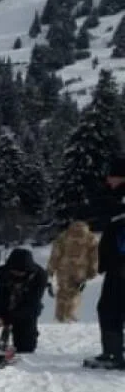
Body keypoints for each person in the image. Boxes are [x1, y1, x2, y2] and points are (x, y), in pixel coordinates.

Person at [86, 156, 125, 370]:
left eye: (111, 176)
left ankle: (113, 354)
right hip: (116, 265)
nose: (108, 180)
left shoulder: (119, 200)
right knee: (111, 308)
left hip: (120, 267)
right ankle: (113, 351)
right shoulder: (115, 199)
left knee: (110, 309)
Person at [46, 220, 99, 323]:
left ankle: (60, 317)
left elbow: (55, 254)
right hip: (80, 269)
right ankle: (70, 315)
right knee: (75, 292)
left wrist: (50, 270)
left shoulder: (64, 235)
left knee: (62, 291)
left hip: (63, 269)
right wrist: (92, 271)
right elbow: (94, 257)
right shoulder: (90, 238)